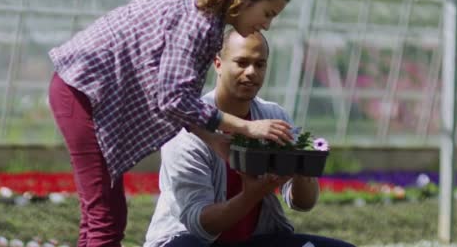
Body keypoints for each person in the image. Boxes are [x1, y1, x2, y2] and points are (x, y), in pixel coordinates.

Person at [48, 0, 294, 247]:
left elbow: (178, 98)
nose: (267, 25)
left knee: (103, 215)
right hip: (82, 91)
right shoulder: (198, 20)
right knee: (106, 218)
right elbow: (173, 98)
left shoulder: (203, 15)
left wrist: (214, 139)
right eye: (267, 13)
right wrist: (245, 127)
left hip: (81, 93)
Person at [144, 30, 355, 247]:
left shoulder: (274, 117)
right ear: (218, 64)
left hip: (256, 239)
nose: (251, 72)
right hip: (189, 240)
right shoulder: (190, 129)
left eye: (260, 64)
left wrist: (303, 169)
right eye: (241, 62)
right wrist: (251, 195)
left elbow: (303, 203)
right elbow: (200, 225)